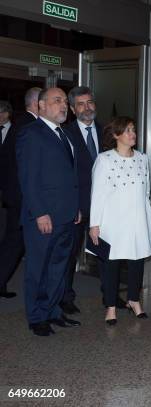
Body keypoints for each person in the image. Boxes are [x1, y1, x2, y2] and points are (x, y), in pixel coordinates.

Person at [16, 87, 81, 336]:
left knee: (58, 268)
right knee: (38, 268)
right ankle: (36, 317)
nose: (63, 105)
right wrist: (40, 213)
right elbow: (28, 179)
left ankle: (52, 311)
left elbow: (70, 176)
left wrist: (75, 208)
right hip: (43, 217)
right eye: (57, 101)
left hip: (66, 215)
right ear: (41, 105)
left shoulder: (64, 134)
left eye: (65, 101)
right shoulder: (32, 134)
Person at [89, 117, 151, 325]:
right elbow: (98, 194)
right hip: (113, 221)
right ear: (116, 135)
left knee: (137, 262)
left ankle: (134, 300)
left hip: (138, 220)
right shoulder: (105, 159)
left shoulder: (142, 158)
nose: (133, 134)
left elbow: (146, 191)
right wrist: (94, 224)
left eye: (133, 130)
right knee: (112, 264)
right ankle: (111, 306)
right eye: (127, 130)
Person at [62, 86, 118, 314]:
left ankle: (111, 298)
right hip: (78, 207)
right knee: (70, 254)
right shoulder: (65, 133)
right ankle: (65, 297)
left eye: (90, 102)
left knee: (108, 255)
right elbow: (64, 173)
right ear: (74, 109)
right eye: (82, 104)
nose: (88, 108)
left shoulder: (108, 131)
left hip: (105, 207)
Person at [0, 91, 40, 299]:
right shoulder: (28, 125)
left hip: (16, 195)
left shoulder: (20, 124)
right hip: (21, 197)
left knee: (13, 242)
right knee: (14, 242)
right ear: (35, 103)